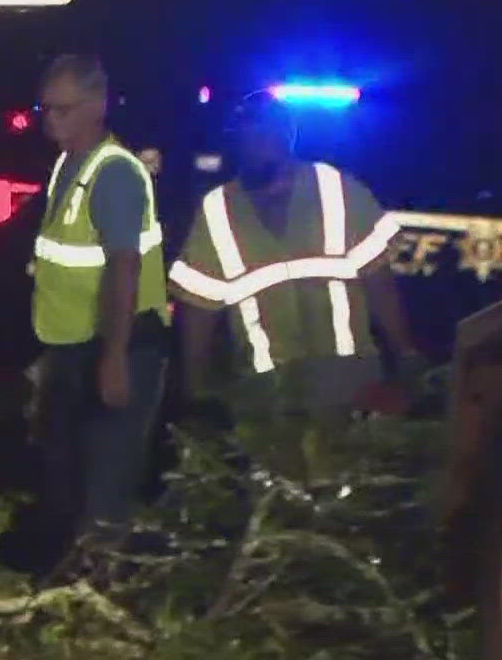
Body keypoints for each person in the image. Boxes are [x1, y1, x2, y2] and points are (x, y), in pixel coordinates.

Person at [166, 89, 424, 484]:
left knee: (345, 494)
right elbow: (198, 308)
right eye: (248, 131)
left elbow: (379, 281)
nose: (259, 140)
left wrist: (404, 353)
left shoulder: (336, 188)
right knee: (281, 508)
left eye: (268, 129)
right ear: (234, 140)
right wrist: (194, 392)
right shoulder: (217, 210)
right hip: (265, 389)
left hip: (347, 377)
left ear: (289, 133)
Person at [26, 52, 171, 559]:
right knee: (64, 478)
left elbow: (124, 267)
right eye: (46, 109)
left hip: (117, 347)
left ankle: (99, 587)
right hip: (72, 348)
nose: (52, 120)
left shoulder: (113, 173)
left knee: (104, 485)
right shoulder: (69, 163)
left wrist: (114, 358)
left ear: (96, 104)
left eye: (63, 109)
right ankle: (73, 585)